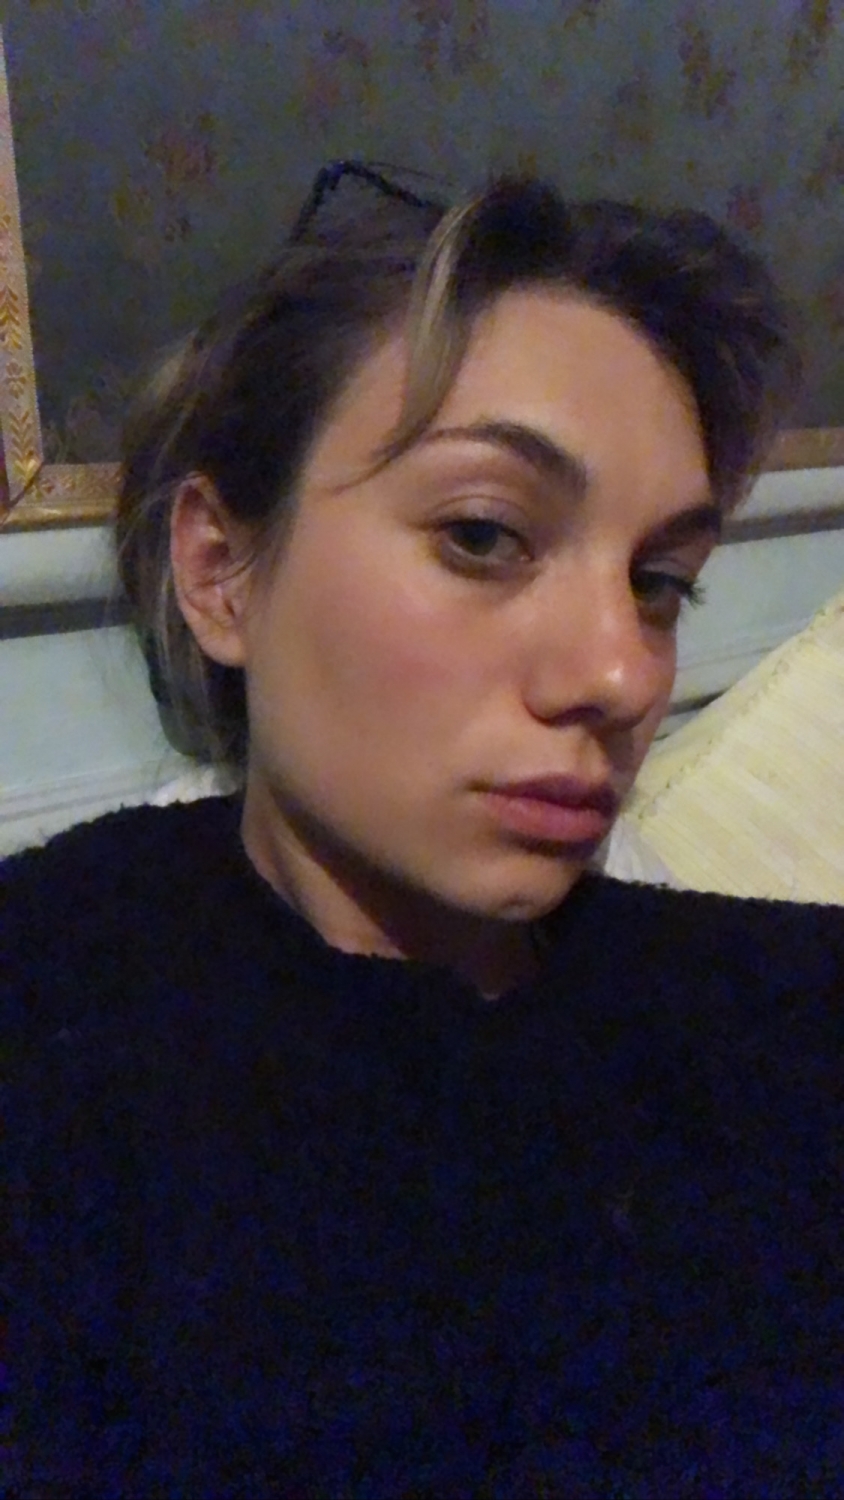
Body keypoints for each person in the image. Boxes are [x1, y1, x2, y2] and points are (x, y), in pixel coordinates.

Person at [3, 164, 843, 1496]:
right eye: (485, 535)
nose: (623, 673)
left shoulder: (784, 1010)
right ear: (221, 573)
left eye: (660, 582)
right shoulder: (53, 1031)